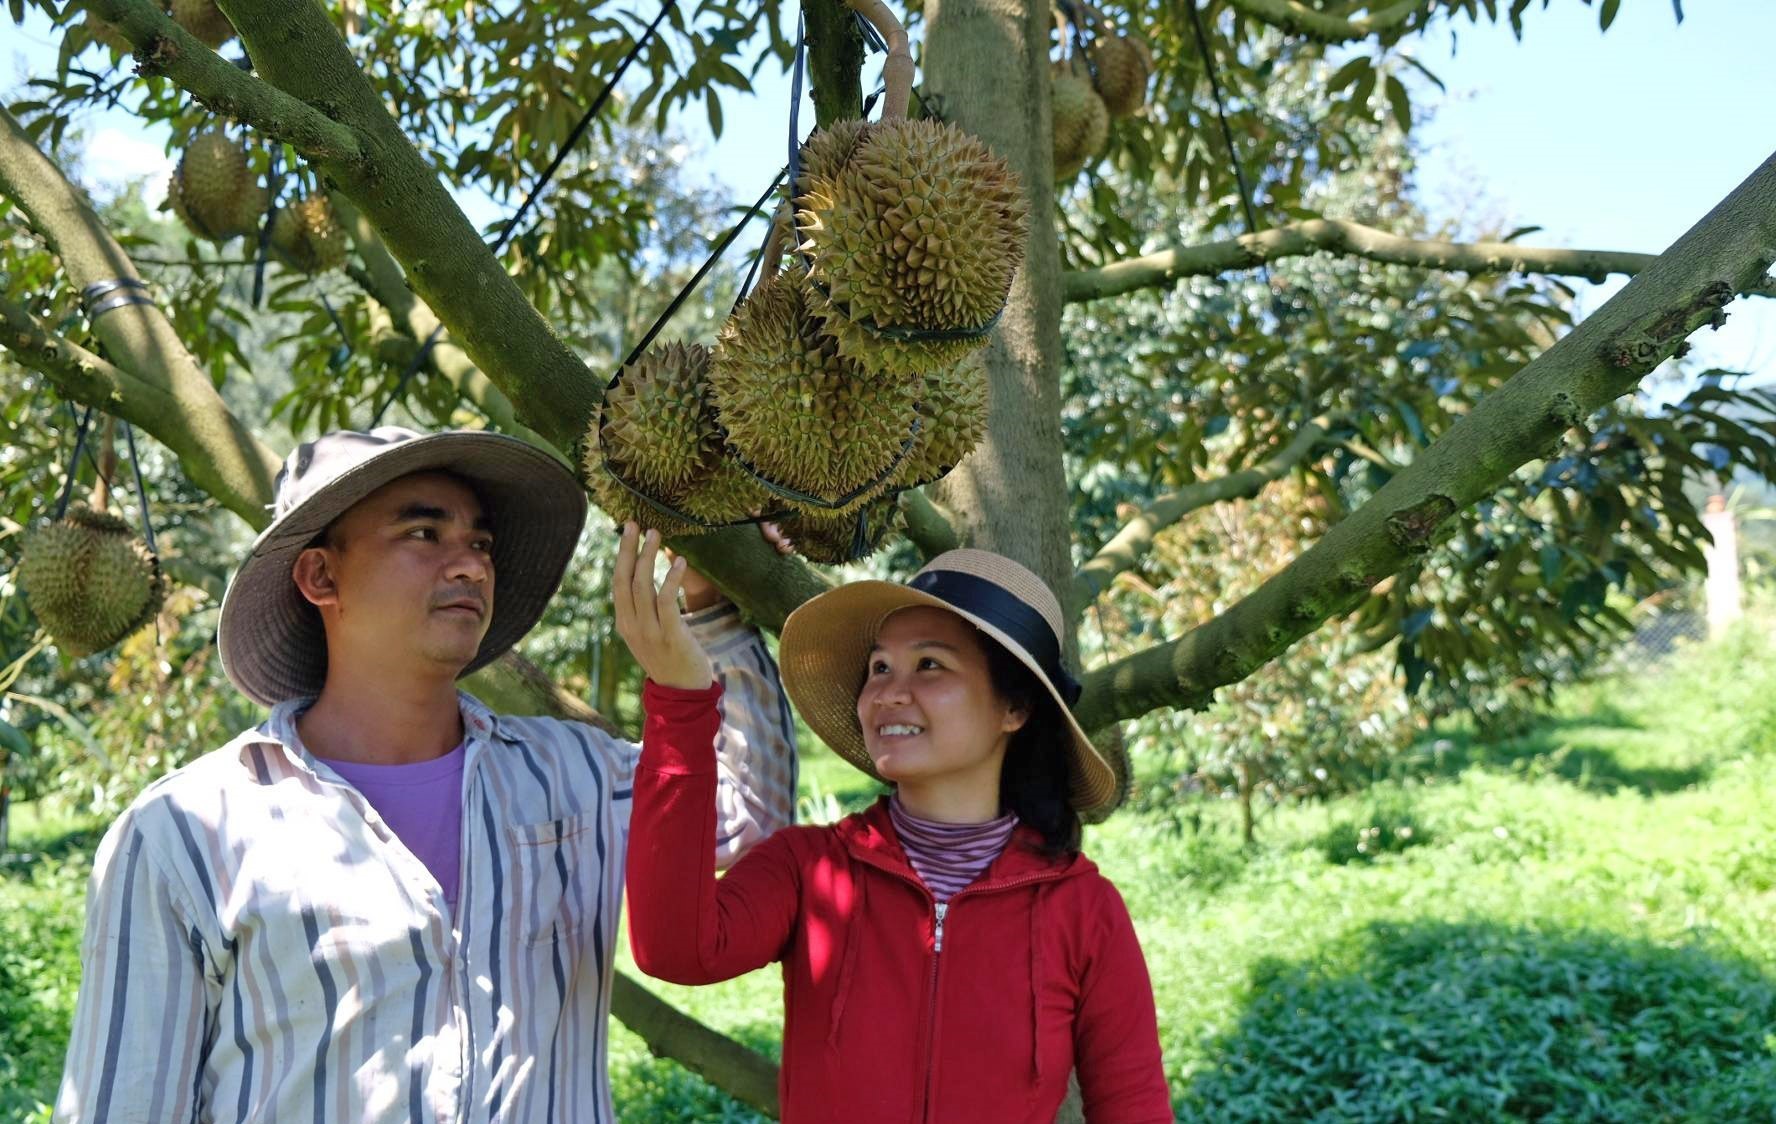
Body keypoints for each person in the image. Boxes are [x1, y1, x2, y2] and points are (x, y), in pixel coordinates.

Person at [53, 427, 797, 1123]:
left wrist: (710, 609)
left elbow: (749, 813)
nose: (470, 562)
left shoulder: (575, 776)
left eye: (479, 542)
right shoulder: (186, 834)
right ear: (320, 575)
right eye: (423, 533)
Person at [620, 541, 1172, 1122]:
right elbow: (674, 949)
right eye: (880, 667)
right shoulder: (809, 868)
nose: (888, 692)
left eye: (930, 665)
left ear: (1014, 708)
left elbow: (1133, 1107)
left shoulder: (1085, 911)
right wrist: (681, 703)